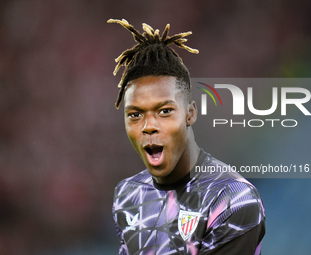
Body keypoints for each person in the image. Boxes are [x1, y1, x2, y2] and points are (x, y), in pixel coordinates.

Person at [108, 18, 265, 255]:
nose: (148, 126)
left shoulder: (232, 199)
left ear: (189, 114)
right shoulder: (127, 195)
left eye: (164, 111)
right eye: (135, 114)